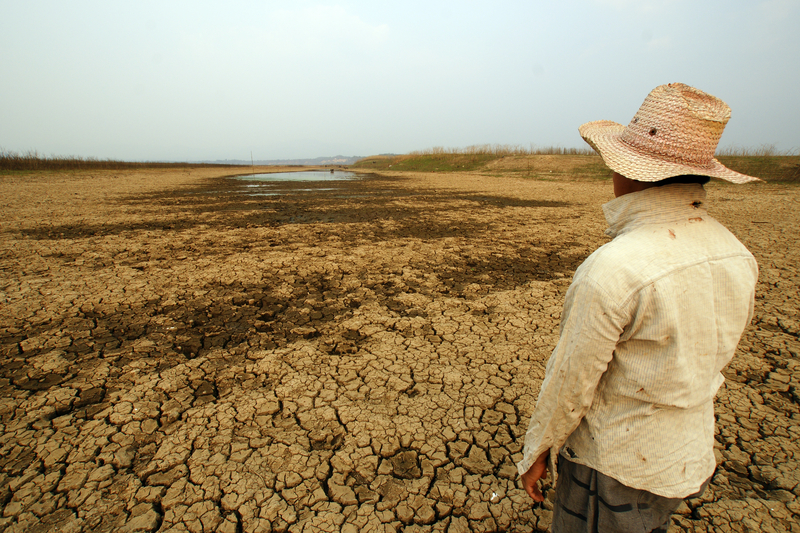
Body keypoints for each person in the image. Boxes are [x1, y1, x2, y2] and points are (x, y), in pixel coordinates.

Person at [516, 83, 761, 532]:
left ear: (631, 172)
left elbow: (572, 380)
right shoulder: (736, 253)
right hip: (685, 454)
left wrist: (538, 450)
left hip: (614, 464)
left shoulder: (614, 269)